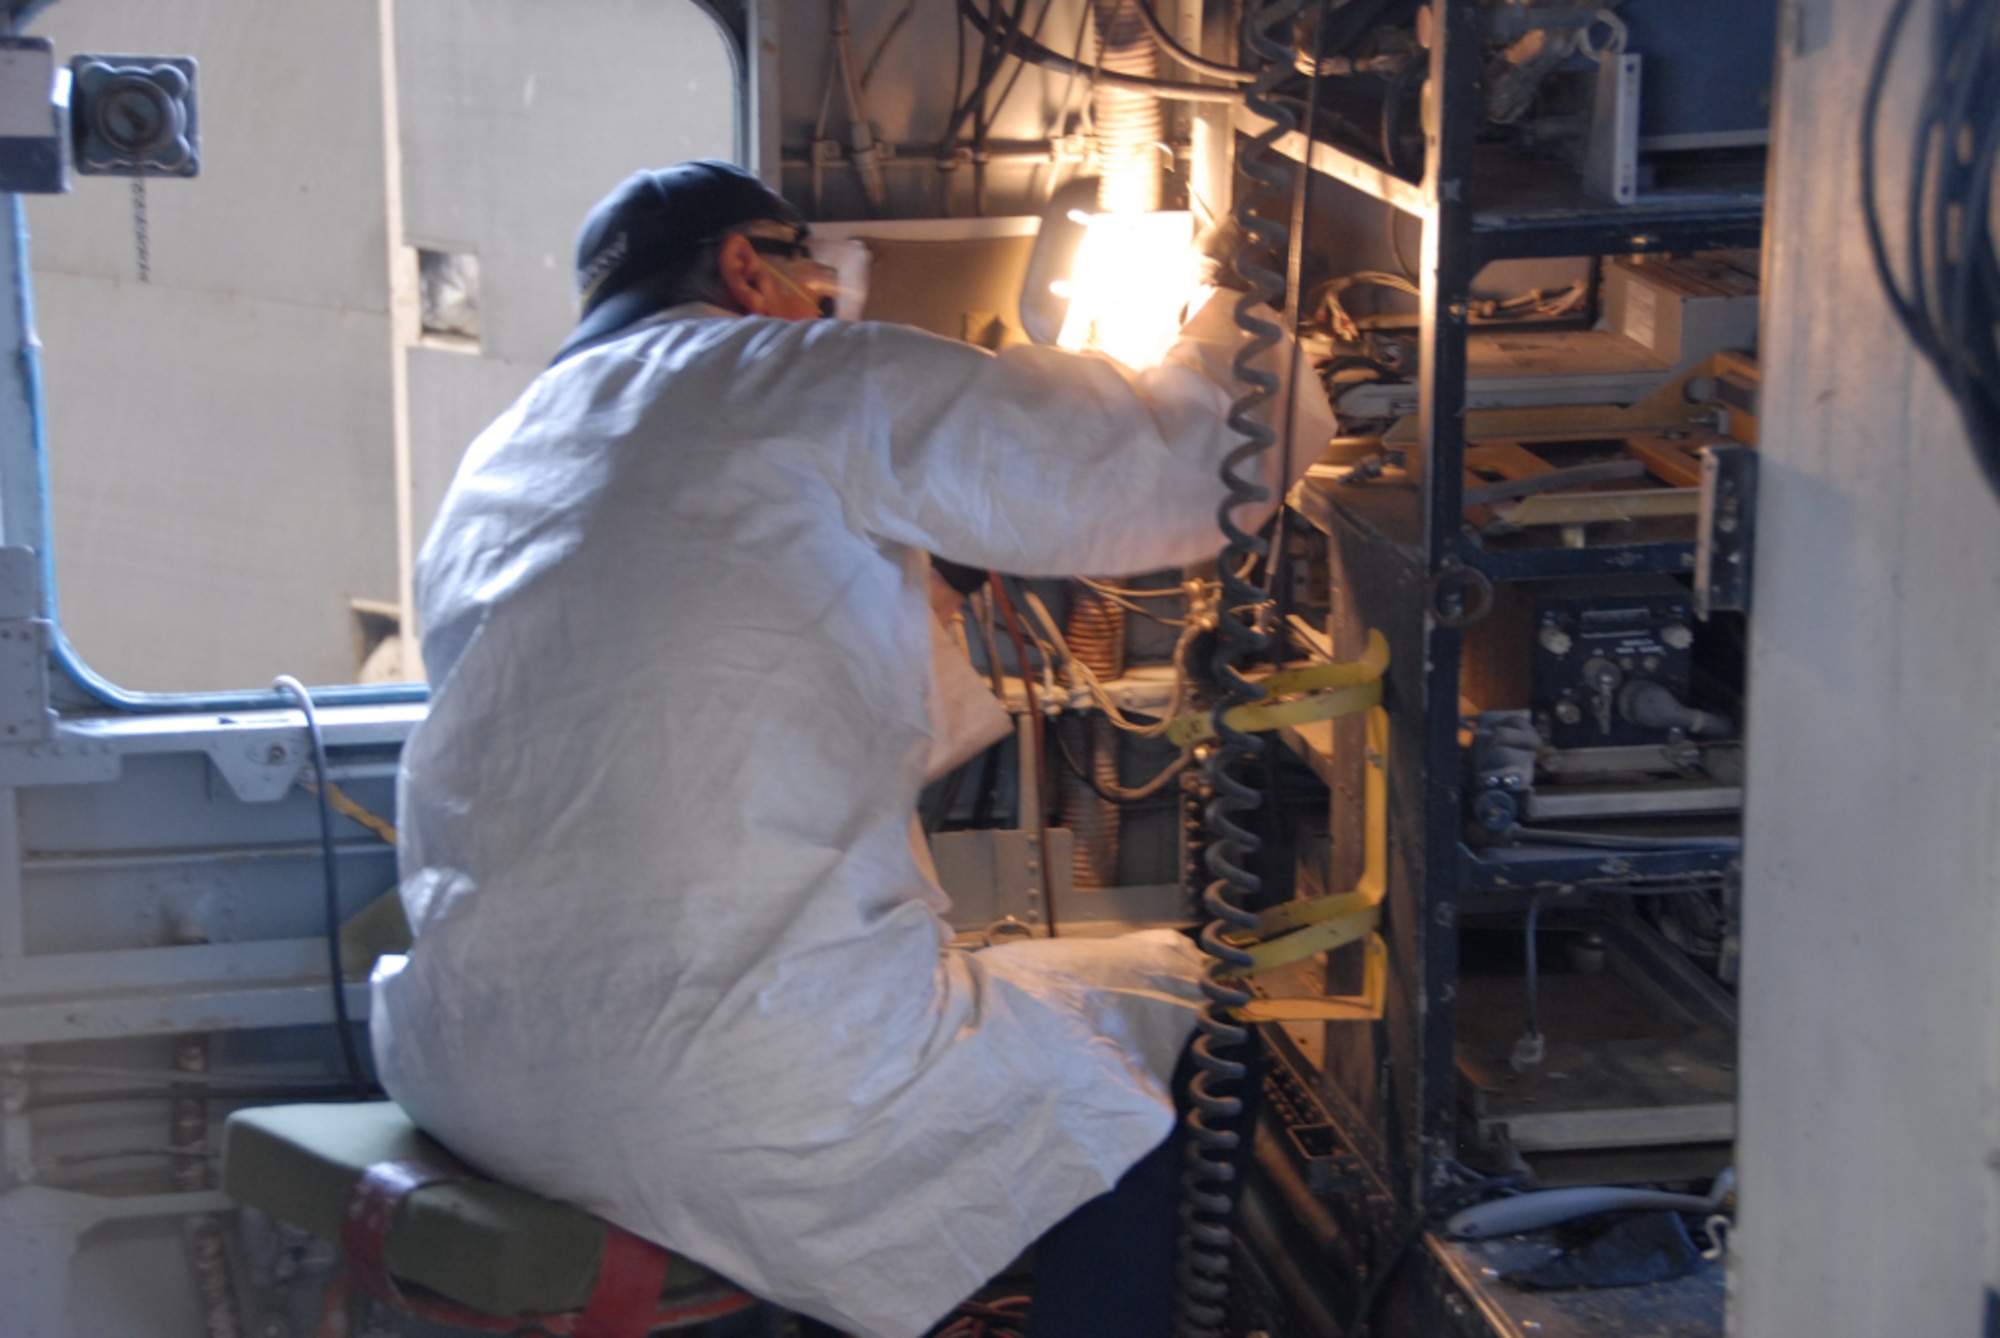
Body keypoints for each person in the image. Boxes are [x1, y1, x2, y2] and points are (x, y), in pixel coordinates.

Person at [370, 160, 1333, 1338]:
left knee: (949, 1052)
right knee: (1163, 1026)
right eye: (813, 279)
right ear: (745, 267)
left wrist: (922, 563)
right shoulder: (784, 369)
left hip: (468, 1065)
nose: (825, 304)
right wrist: (1261, 324)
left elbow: (725, 675)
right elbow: (1171, 469)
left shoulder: (505, 463)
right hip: (707, 1083)